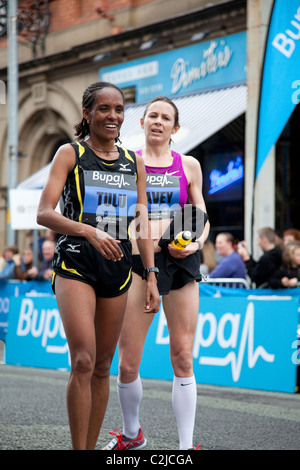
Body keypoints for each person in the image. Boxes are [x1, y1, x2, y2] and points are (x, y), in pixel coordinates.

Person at [36, 81, 160, 450]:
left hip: (119, 270)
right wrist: (88, 232)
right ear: (87, 114)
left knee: (104, 367)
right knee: (85, 360)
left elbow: (141, 222)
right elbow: (44, 213)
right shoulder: (69, 154)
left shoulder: (133, 161)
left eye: (119, 109)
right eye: (104, 109)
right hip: (75, 264)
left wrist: (151, 275)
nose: (113, 116)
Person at [104, 96, 209, 451]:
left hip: (181, 263)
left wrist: (194, 244)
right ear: (142, 122)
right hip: (137, 266)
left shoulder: (189, 165)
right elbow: (121, 218)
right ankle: (133, 435)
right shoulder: (128, 164)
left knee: (182, 354)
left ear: (175, 128)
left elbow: (201, 217)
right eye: (152, 115)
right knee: (128, 361)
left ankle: (185, 447)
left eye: (166, 118)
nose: (158, 121)